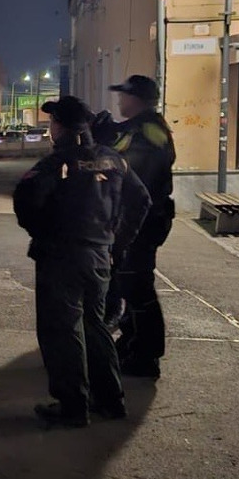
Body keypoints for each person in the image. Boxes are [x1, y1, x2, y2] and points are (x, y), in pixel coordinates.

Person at [14, 96, 151, 427]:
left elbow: (25, 201)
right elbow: (142, 200)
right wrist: (116, 241)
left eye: (52, 123)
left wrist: (47, 233)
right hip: (100, 255)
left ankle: (73, 406)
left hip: (62, 257)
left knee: (63, 330)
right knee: (95, 325)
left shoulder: (57, 163)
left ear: (59, 126)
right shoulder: (113, 160)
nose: (51, 128)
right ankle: (111, 399)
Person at [106, 75, 177, 379]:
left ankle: (146, 356)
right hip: (133, 220)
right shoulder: (138, 128)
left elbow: (138, 181)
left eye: (124, 96)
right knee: (127, 283)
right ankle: (132, 342)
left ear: (137, 99)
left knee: (138, 286)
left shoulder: (148, 131)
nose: (119, 101)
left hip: (142, 222)